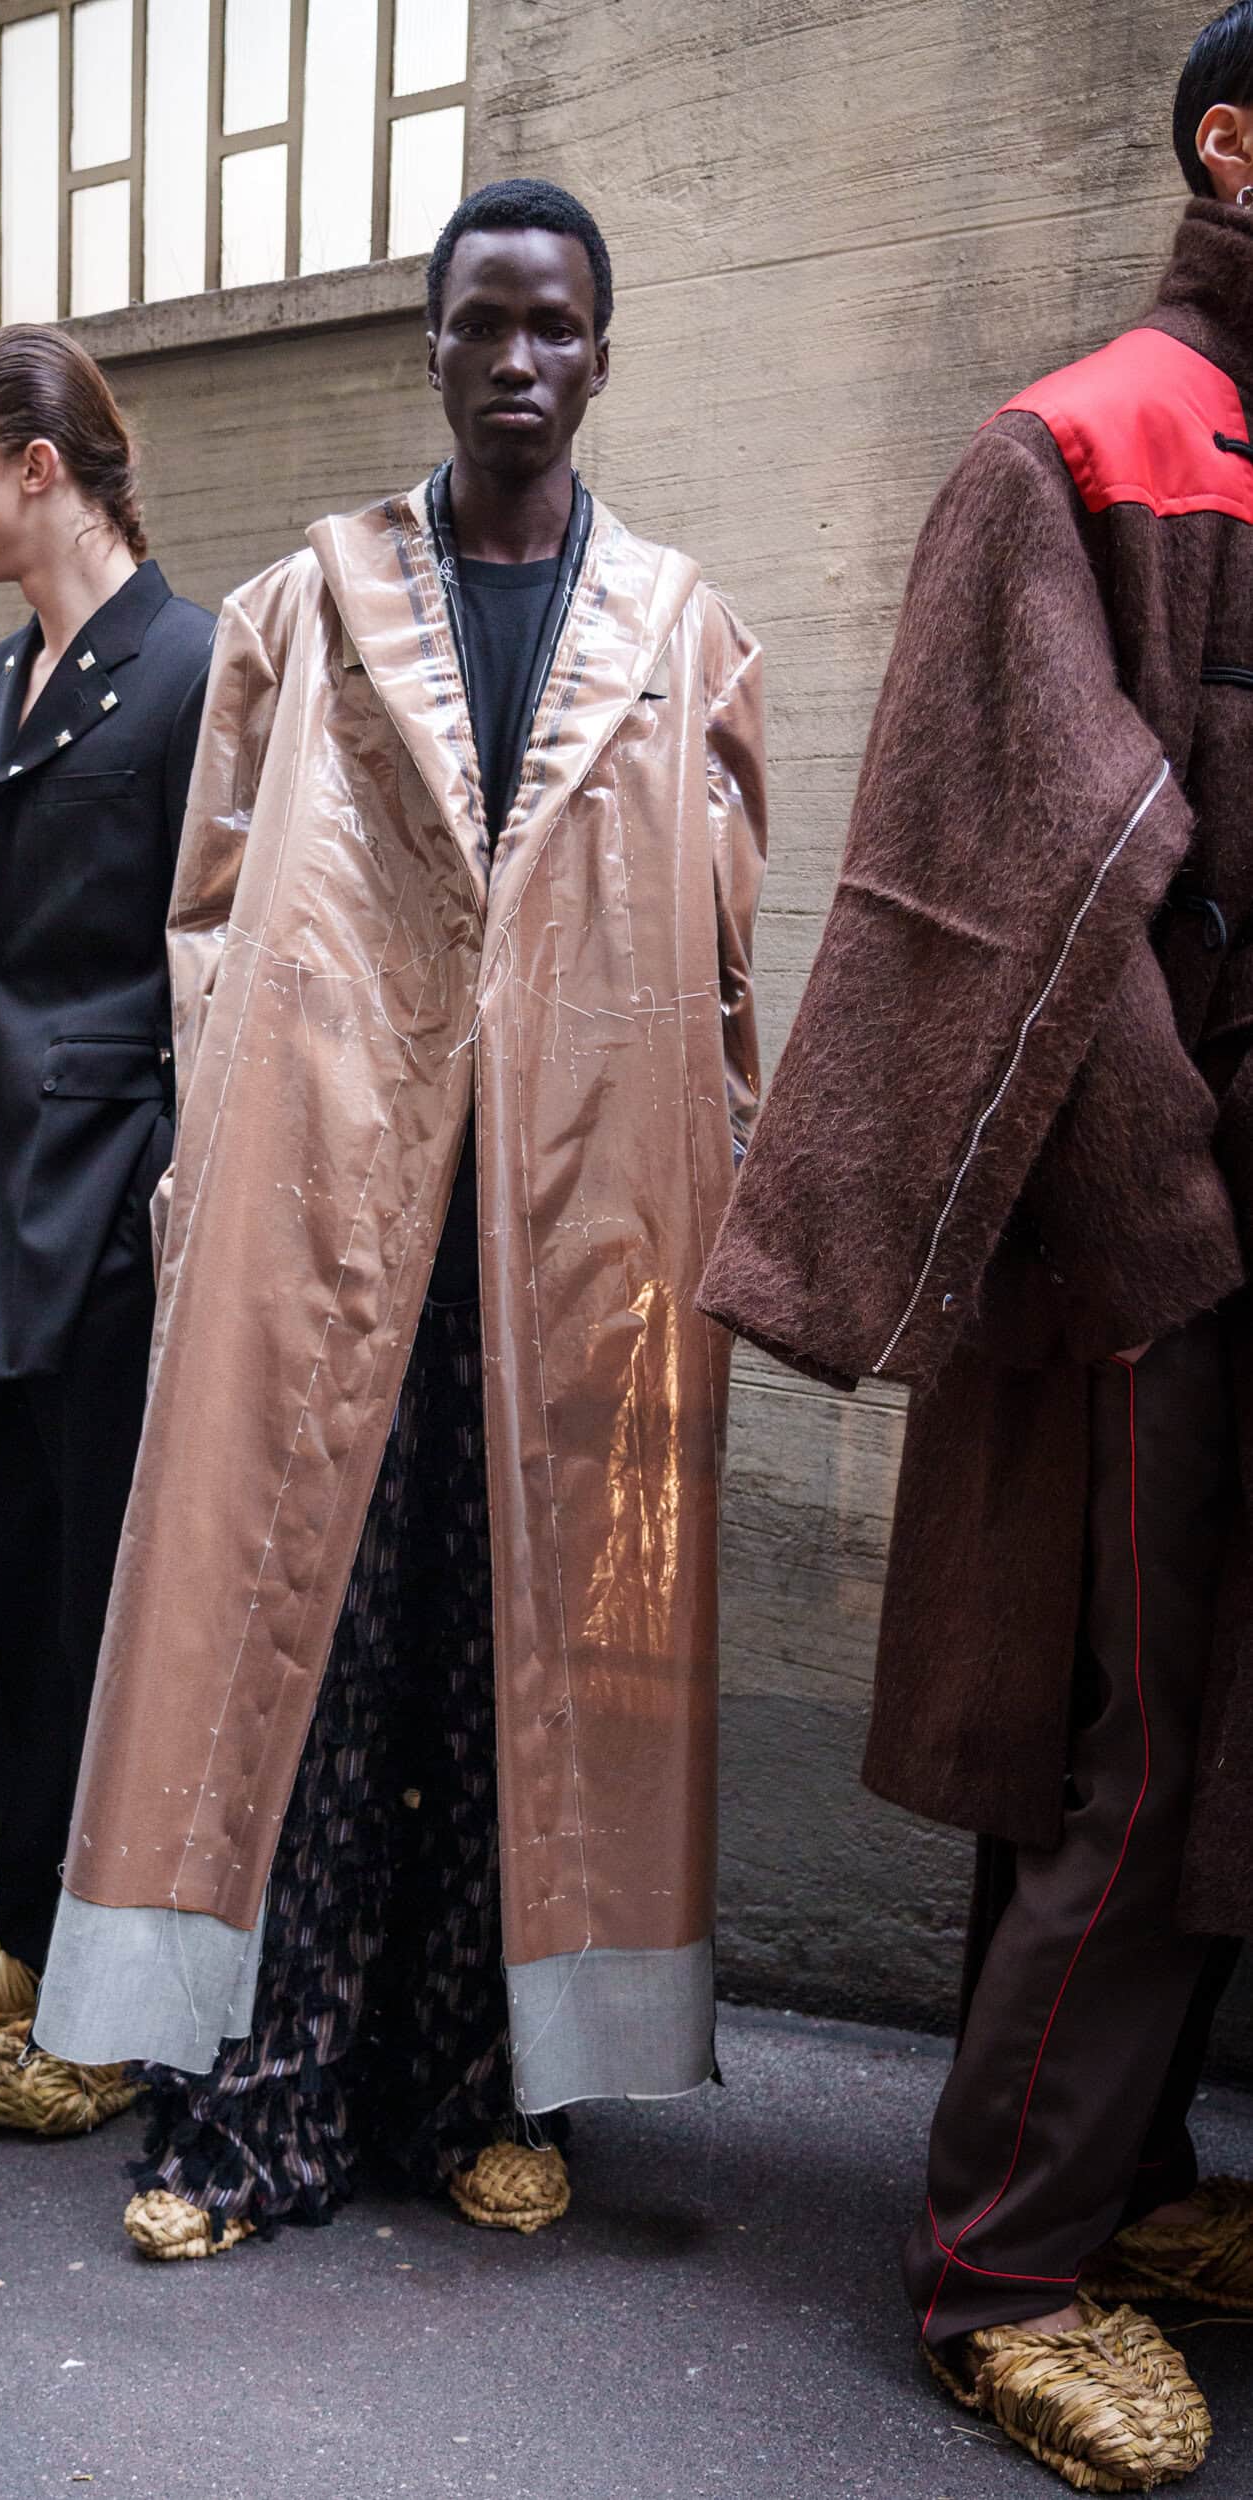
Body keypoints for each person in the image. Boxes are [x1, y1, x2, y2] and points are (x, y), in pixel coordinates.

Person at [29, 178, 767, 2258]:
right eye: (479, 325)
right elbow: (207, 929)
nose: (516, 361)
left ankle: (476, 2091)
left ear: (602, 353)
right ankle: (248, 2114)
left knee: (520, 1655)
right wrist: (218, 1175)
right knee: (303, 1651)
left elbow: (719, 974)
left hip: (575, 1241)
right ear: (430, 347)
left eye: (553, 327)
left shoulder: (684, 634)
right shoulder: (303, 608)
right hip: (333, 1221)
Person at [700, 10, 1253, 2488]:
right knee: (1128, 1753)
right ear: (1233, 137)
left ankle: (1125, 2176)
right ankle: (1002, 2263)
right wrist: (1177, 1222)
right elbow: (1008, 861)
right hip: (1180, 1238)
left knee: (1219, 1745)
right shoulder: (1091, 437)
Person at [0, 327, 215, 2130]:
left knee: (97, 1609)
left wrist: (165, 1189)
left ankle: (107, 1991)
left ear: (44, 466)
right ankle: (22, 1921)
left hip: (104, 1216)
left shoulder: (195, 670)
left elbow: (210, 970)